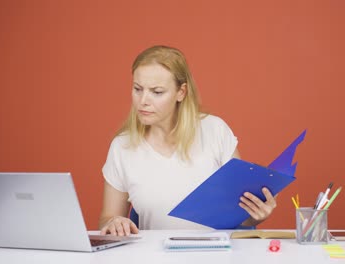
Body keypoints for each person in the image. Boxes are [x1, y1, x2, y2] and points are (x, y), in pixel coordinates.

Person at [99, 45, 277, 236]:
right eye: (137, 89)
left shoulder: (215, 131)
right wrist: (114, 222)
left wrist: (257, 215)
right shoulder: (122, 147)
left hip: (218, 255)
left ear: (181, 92)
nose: (143, 100)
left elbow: (242, 214)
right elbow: (107, 218)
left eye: (157, 92)